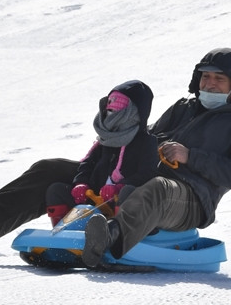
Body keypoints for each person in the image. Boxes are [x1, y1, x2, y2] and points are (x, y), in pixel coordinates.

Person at [0, 48, 231, 267]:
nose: (210, 84)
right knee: (52, 169)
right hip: (140, 178)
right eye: (205, 76)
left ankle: (108, 240)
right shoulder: (183, 108)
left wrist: (191, 157)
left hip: (188, 199)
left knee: (159, 189)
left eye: (218, 78)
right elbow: (149, 135)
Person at [43, 79, 160, 226]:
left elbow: (148, 173)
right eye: (110, 106)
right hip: (95, 200)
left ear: (133, 112)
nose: (110, 111)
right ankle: (62, 232)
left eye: (117, 107)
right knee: (56, 190)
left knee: (128, 193)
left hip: (121, 202)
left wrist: (120, 187)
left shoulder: (145, 142)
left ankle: (119, 232)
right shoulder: (105, 140)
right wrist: (81, 183)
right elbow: (88, 164)